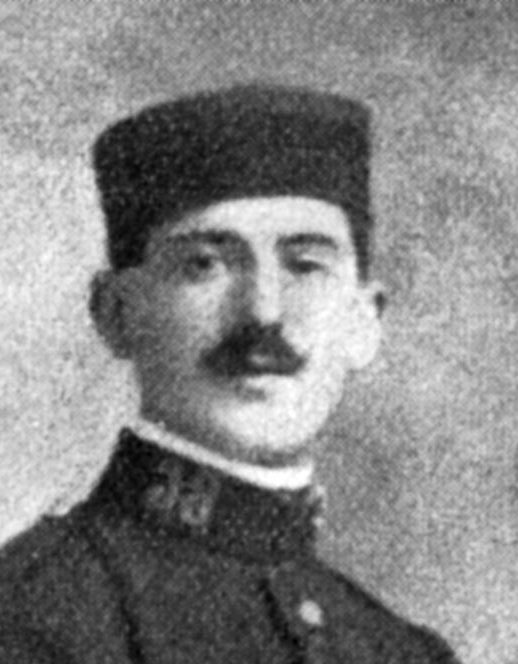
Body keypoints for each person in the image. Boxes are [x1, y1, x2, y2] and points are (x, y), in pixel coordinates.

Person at [0, 84, 461, 663]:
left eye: (305, 265)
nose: (263, 312)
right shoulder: (30, 613)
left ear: (364, 322)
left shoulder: (402, 652)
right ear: (117, 313)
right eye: (205, 264)